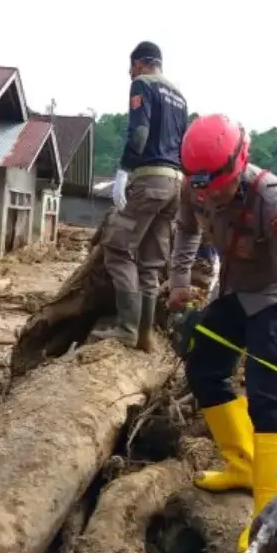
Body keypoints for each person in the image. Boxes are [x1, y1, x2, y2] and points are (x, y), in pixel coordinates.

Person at [168, 114, 277, 553]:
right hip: (232, 292)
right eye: (199, 188)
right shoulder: (194, 186)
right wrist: (179, 280)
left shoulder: (275, 204)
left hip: (275, 301)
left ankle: (268, 519)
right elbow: (185, 229)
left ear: (239, 164)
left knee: (267, 398)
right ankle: (241, 463)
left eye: (216, 188)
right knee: (203, 368)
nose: (207, 197)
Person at [95, 41, 188, 350]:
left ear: (139, 63)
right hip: (175, 184)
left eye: (130, 67)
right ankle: (146, 336)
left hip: (150, 179)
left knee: (117, 248)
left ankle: (127, 328)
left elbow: (139, 133)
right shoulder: (179, 96)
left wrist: (123, 170)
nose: (129, 73)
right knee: (150, 262)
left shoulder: (142, 84)